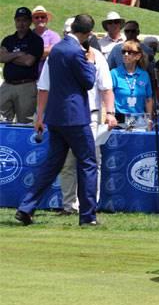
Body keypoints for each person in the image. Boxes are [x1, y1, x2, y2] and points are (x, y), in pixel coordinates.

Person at [15, 14, 99, 226]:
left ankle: (26, 207)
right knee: (88, 163)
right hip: (76, 117)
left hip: (56, 116)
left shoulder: (58, 49)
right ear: (87, 33)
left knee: (52, 164)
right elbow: (88, 82)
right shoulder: (78, 53)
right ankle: (88, 217)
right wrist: (91, 64)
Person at [39, 16, 116, 216]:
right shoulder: (65, 54)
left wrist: (110, 112)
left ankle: (89, 206)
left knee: (88, 163)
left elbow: (106, 87)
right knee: (72, 164)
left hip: (89, 115)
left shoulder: (95, 56)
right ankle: (71, 205)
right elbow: (44, 87)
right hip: (73, 116)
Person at [0, 7, 44, 123]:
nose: (21, 23)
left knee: (25, 123)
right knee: (2, 121)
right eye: (18, 20)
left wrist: (9, 56)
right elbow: (1, 57)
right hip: (7, 85)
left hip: (26, 86)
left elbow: (28, 61)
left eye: (24, 20)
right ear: (15, 21)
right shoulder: (8, 40)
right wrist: (18, 54)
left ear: (30, 22)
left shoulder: (36, 40)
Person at [110, 39, 154, 124]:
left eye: (130, 52)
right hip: (119, 118)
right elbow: (108, 95)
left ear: (138, 56)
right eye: (124, 52)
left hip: (139, 118)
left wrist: (149, 119)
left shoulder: (144, 75)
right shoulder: (114, 73)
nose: (126, 54)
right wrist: (109, 115)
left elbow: (148, 99)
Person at [30, 5, 61, 75]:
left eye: (42, 17)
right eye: (36, 17)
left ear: (46, 19)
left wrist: (31, 55)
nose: (40, 19)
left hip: (47, 76)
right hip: (29, 77)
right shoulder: (28, 35)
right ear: (32, 20)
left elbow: (54, 52)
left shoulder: (54, 36)